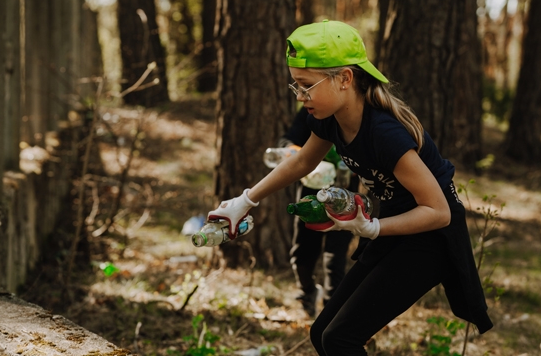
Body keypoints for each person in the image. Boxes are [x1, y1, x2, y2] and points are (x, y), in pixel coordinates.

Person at [208, 20, 492, 355]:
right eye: (295, 86)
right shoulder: (329, 117)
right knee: (323, 334)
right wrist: (245, 201)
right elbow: (301, 163)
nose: (301, 97)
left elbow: (439, 212)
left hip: (431, 238)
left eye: (307, 86)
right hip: (397, 227)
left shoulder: (385, 133)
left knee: (339, 339)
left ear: (345, 78)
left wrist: (373, 228)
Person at [280, 106, 358, 318]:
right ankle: (307, 292)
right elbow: (286, 142)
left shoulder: (357, 114)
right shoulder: (312, 111)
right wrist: (298, 154)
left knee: (335, 255)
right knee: (302, 253)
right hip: (310, 194)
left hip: (344, 195)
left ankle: (332, 312)